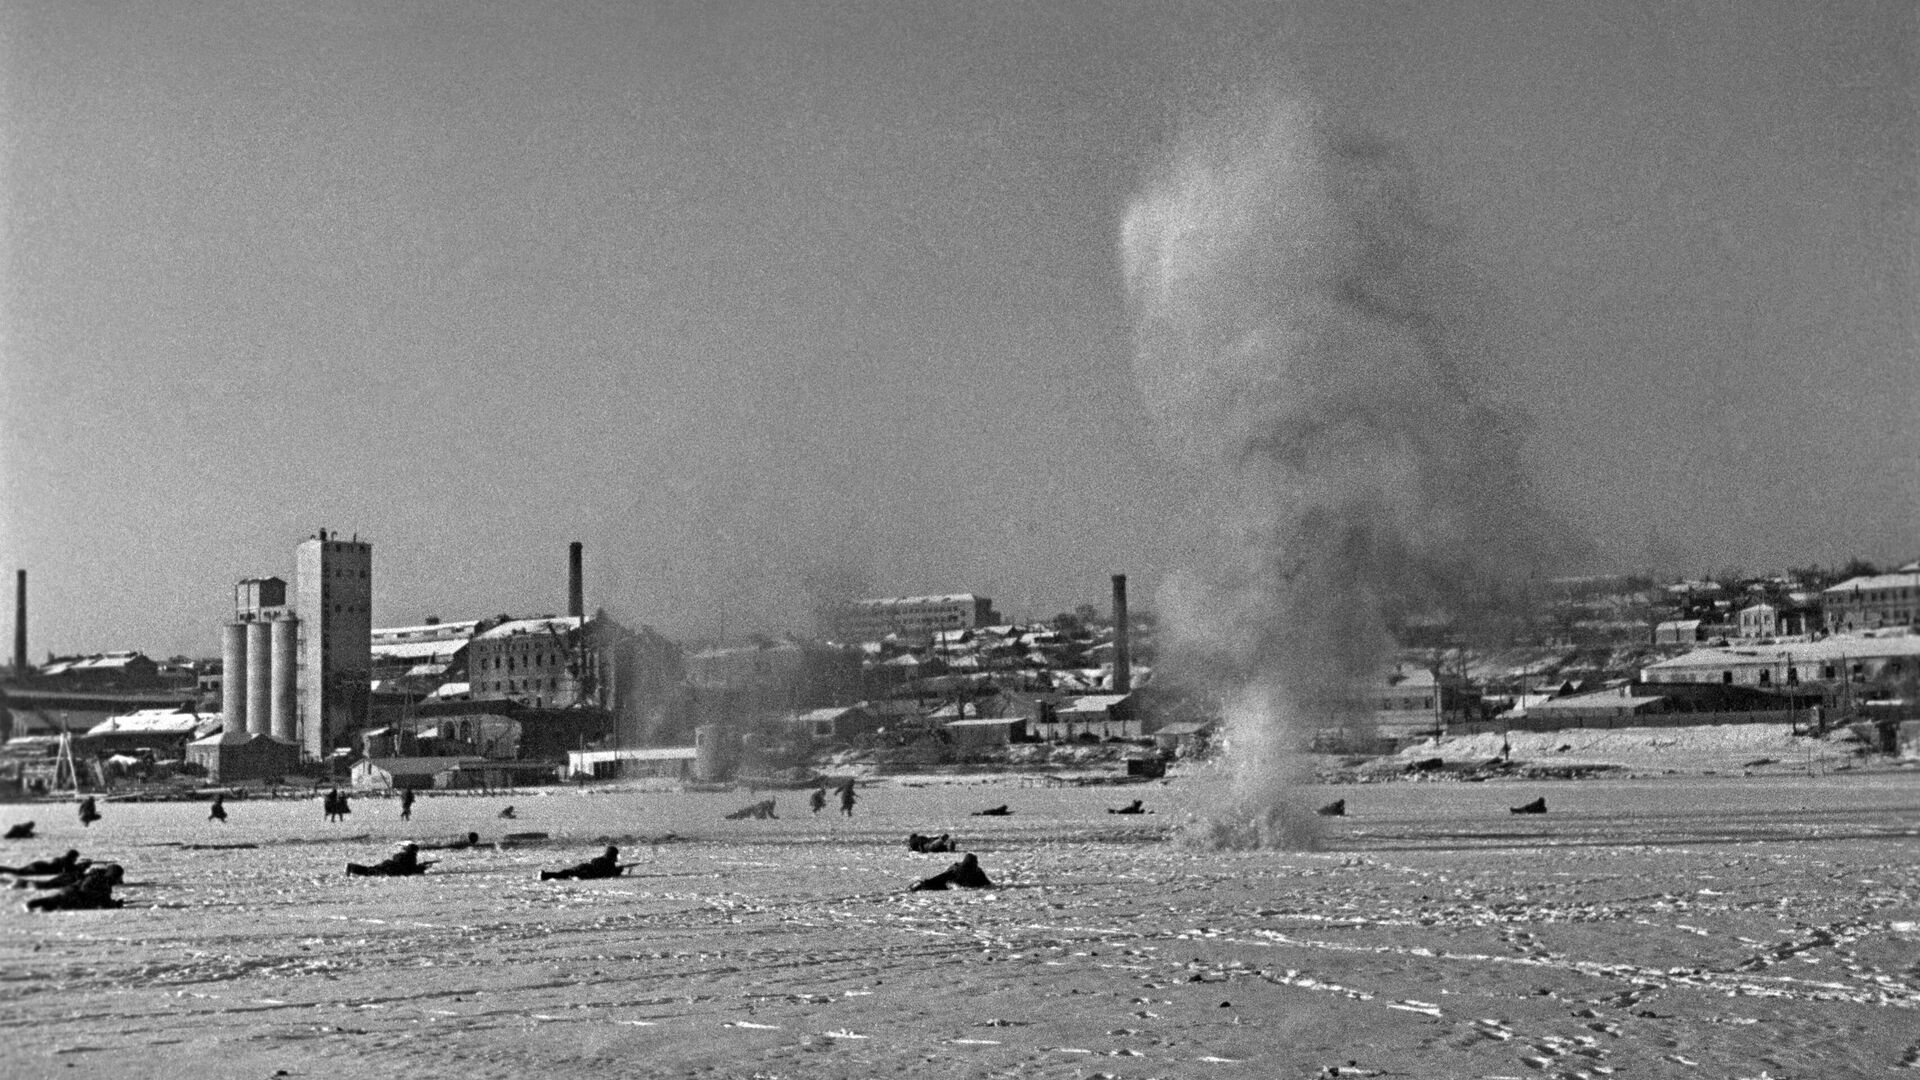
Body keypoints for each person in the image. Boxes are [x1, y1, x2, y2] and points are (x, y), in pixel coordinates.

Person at [26, 864, 123, 912]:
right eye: (118, 877)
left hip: (71, 893)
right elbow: (87, 889)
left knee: (54, 901)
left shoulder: (98, 877)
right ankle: (32, 904)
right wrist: (115, 904)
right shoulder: (101, 881)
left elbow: (104, 900)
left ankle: (36, 905)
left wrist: (114, 903)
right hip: (74, 896)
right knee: (56, 901)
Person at [910, 852, 994, 892]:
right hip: (951, 881)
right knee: (938, 885)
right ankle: (920, 885)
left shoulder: (978, 871)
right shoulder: (958, 870)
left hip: (961, 882)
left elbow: (987, 883)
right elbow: (942, 877)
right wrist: (926, 883)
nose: (974, 866)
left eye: (975, 864)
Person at [346, 842, 433, 877]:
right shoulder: (411, 857)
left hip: (389, 864)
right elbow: (410, 869)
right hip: (393, 868)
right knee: (371, 872)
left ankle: (352, 867)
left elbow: (399, 860)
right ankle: (352, 868)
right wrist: (422, 867)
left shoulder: (401, 854)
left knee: (369, 870)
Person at [540, 845, 622, 881]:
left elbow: (594, 861)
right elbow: (608, 873)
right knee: (565, 875)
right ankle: (545, 876)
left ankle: (545, 875)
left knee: (565, 873)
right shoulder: (609, 863)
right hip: (586, 872)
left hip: (584, 867)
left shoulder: (604, 860)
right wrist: (618, 871)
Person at [1, 849, 82, 877]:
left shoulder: (62, 859)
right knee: (20, 873)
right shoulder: (66, 861)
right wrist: (79, 867)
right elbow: (67, 871)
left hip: (40, 864)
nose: (76, 859)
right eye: (75, 858)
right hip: (41, 868)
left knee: (18, 871)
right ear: (72, 857)